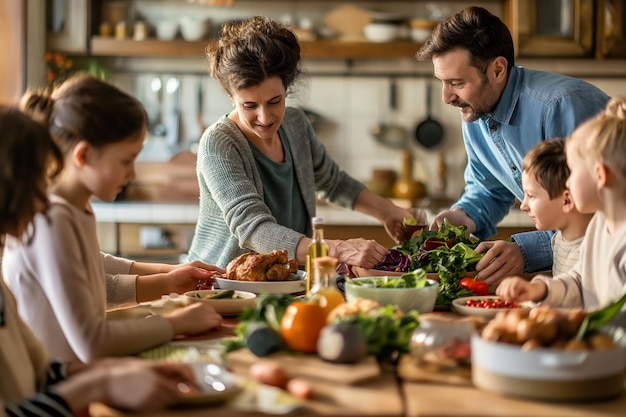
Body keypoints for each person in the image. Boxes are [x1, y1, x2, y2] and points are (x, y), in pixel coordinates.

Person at [2, 74, 223, 364]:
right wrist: (177, 323)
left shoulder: (74, 208)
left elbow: (94, 270)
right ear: (84, 155)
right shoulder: (51, 220)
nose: (132, 174)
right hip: (56, 392)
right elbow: (93, 342)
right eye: (126, 161)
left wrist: (171, 276)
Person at [0, 105, 205, 416]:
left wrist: (120, 373)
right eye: (36, 187)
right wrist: (102, 383)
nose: (44, 202)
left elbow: (43, 373)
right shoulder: (55, 218)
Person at [186, 16, 424, 270]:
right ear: (230, 95)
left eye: (275, 101)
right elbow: (254, 229)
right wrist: (338, 250)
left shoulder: (295, 123)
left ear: (286, 88)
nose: (265, 117)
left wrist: (387, 211)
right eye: (250, 105)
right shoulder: (219, 143)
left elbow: (333, 182)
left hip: (285, 282)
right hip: (220, 286)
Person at [415, 6, 609, 285]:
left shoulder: (561, 106)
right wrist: (462, 217)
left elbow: (591, 210)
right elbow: (488, 189)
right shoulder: (475, 110)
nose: (446, 97)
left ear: (497, 69)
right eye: (442, 82)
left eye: (456, 83)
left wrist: (525, 250)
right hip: (571, 272)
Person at [496, 97, 626, 310]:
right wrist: (541, 290)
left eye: (573, 171)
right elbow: (580, 281)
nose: (567, 181)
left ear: (600, 176)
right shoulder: (599, 226)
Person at [519, 138, 593, 277]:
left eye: (531, 195)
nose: (523, 206)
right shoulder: (557, 241)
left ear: (566, 201)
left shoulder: (595, 250)